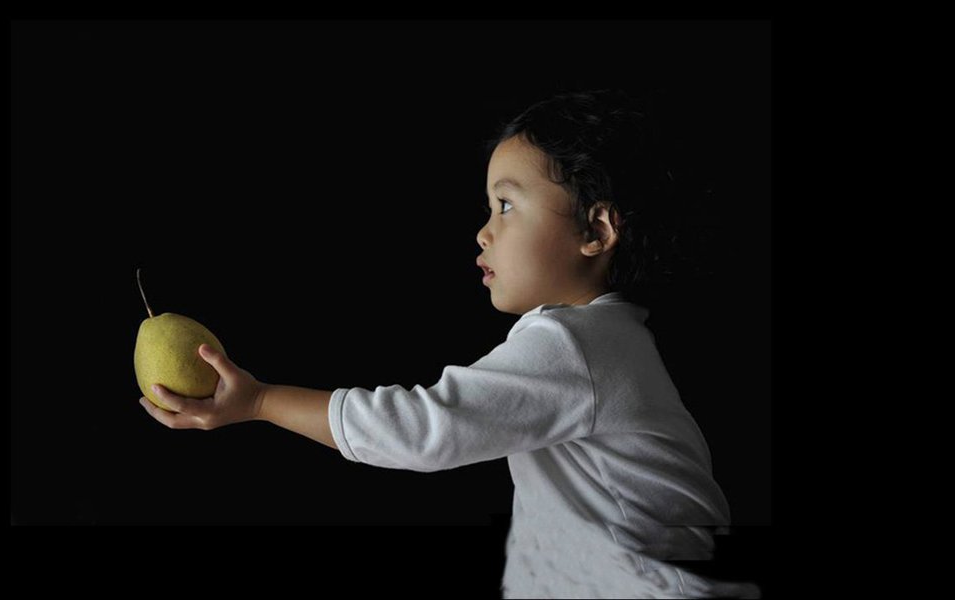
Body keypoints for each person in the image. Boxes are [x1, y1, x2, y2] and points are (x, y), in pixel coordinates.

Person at [138, 89, 762, 598]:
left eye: (506, 205)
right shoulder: (608, 340)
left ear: (596, 229)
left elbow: (419, 429)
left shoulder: (576, 345)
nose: (483, 232)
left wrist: (260, 402)